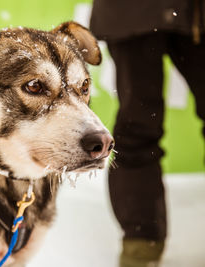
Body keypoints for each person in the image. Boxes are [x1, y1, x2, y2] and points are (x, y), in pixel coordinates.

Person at [90, 0, 205, 266]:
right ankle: (141, 241)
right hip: (132, 12)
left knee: (137, 124)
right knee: (138, 123)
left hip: (196, 12)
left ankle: (142, 241)